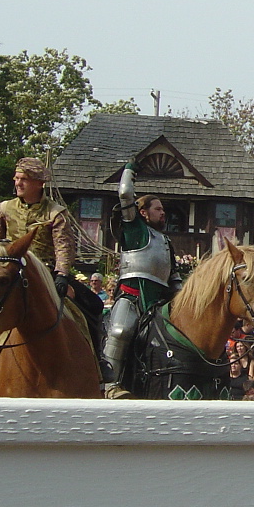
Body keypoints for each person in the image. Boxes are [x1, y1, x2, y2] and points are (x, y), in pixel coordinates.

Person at [0, 157, 101, 385]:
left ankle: (99, 364)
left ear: (39, 183)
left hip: (45, 273)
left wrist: (61, 274)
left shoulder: (56, 213)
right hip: (9, 270)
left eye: (24, 179)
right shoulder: (5, 208)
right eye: (17, 178)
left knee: (93, 306)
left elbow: (64, 247)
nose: (17, 183)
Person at [100, 160, 182, 398]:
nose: (163, 212)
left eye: (163, 209)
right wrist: (129, 170)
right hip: (132, 298)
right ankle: (109, 386)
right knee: (120, 331)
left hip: (159, 305)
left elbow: (174, 277)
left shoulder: (166, 242)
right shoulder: (135, 230)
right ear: (143, 212)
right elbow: (125, 193)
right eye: (158, 208)